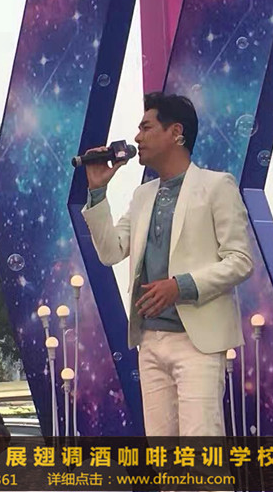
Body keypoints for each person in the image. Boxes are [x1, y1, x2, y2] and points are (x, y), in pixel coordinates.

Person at [81, 92, 254, 437]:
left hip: (196, 340)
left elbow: (240, 260)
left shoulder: (216, 185)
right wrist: (97, 192)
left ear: (176, 132)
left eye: (146, 127)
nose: (137, 138)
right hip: (150, 340)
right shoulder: (143, 195)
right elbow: (111, 252)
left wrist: (180, 286)